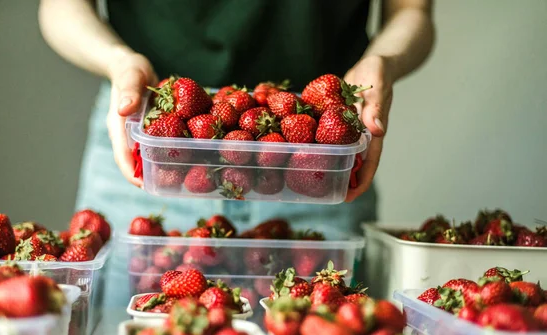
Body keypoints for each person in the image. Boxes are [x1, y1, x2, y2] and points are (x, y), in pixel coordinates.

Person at [39, 0, 435, 307]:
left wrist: (382, 62)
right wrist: (117, 61)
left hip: (315, 152)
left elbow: (412, 9)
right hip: (156, 138)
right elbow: (59, 7)